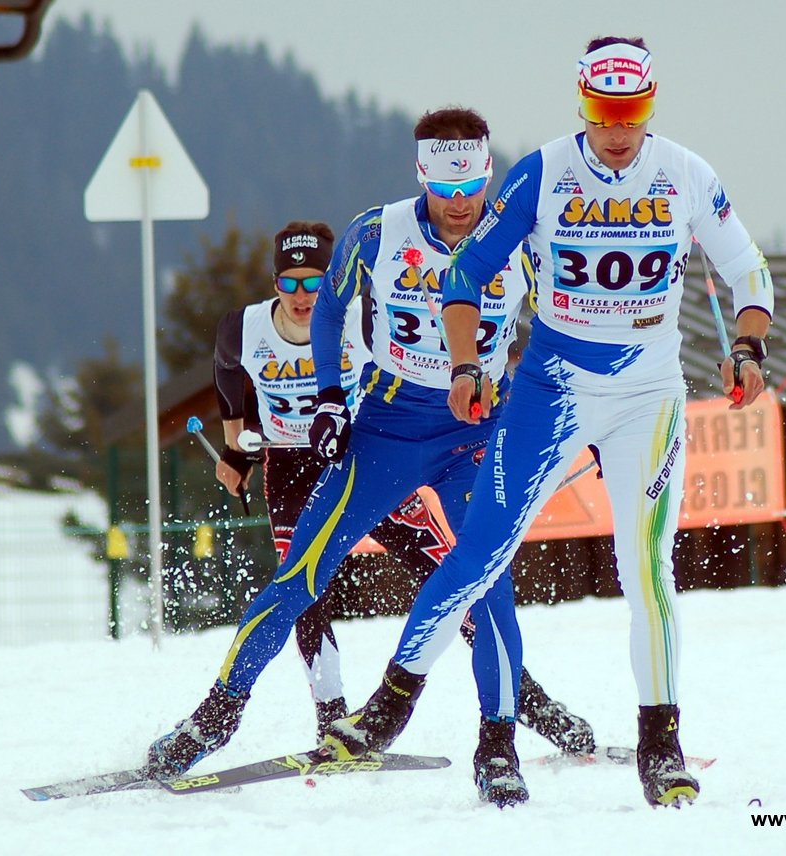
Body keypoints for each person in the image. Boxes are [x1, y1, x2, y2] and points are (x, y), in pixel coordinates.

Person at [322, 37, 775, 809]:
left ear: (651, 105)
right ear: (583, 104)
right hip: (551, 386)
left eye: (633, 111)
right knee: (482, 553)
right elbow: (466, 272)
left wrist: (749, 343)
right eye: (605, 110)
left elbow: (747, 267)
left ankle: (661, 745)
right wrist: (466, 366)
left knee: (647, 569)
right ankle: (390, 706)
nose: (619, 128)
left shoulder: (686, 173)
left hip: (648, 393)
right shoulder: (543, 171)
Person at [147, 108, 580, 806]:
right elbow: (330, 309)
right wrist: (326, 399)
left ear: (488, 174)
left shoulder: (522, 238)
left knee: (488, 585)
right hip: (387, 429)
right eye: (444, 185)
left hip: (475, 432)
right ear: (421, 176)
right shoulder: (377, 231)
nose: (459, 201)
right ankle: (213, 718)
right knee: (300, 574)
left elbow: (571, 320)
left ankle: (498, 744)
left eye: (470, 183)